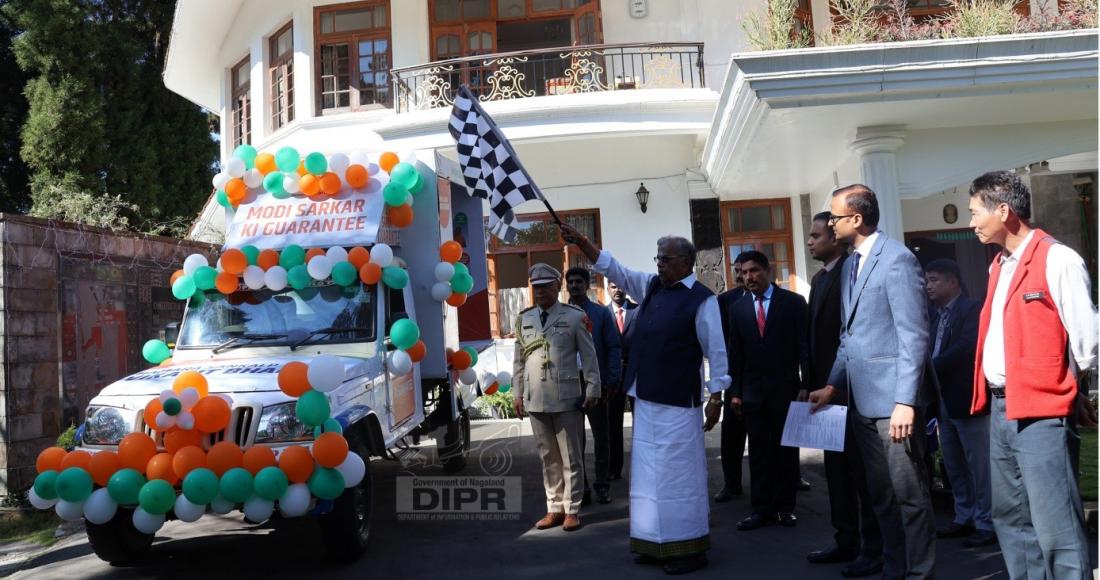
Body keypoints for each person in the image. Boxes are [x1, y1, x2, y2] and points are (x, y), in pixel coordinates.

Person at [560, 223, 729, 575]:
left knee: (678, 477)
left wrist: (717, 396)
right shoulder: (652, 287)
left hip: (679, 404)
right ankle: (654, 542)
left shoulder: (703, 300)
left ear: (685, 261)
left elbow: (716, 349)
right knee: (649, 477)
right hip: (646, 398)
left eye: (665, 259)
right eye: (657, 258)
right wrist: (583, 243)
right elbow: (615, 269)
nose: (659, 265)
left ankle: (689, 547)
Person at [967, 171, 1096, 579]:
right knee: (1012, 520)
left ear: (1003, 211)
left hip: (1042, 410)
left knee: (1056, 525)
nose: (971, 223)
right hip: (1002, 407)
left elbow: (1087, 339)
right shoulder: (998, 266)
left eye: (975, 212)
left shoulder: (1058, 258)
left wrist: (1075, 390)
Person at [809, 184, 936, 579]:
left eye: (834, 216)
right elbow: (851, 336)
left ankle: (920, 573)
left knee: (910, 497)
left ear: (857, 219)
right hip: (861, 404)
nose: (829, 223)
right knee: (881, 496)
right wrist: (832, 385)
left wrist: (906, 401)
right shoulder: (850, 265)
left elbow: (914, 335)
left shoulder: (896, 260)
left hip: (894, 407)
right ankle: (894, 569)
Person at [803, 212, 883, 577]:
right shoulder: (820, 279)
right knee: (836, 471)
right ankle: (845, 539)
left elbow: (851, 336)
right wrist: (809, 380)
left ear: (835, 237)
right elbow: (813, 337)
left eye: (816, 235)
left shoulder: (854, 272)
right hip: (826, 392)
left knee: (863, 476)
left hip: (854, 391)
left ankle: (873, 547)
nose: (810, 241)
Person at [512, 263, 601, 532]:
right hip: (536, 397)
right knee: (548, 456)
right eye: (535, 287)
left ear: (557, 286)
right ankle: (554, 507)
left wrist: (593, 387)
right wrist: (517, 393)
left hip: (566, 396)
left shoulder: (575, 316)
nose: (540, 292)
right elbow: (519, 361)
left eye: (545, 287)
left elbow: (589, 356)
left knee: (571, 455)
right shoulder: (524, 319)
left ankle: (572, 509)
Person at [724, 251, 808, 531]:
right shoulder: (737, 309)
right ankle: (761, 510)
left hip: (786, 391)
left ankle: (786, 508)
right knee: (759, 454)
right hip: (752, 394)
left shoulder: (793, 303)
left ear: (767, 270)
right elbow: (736, 354)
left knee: (786, 452)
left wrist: (807, 384)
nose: (748, 277)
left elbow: (804, 348)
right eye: (743, 272)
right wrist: (735, 391)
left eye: (753, 271)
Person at [924, 258, 995, 548]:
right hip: (941, 400)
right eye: (927, 280)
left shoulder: (972, 310)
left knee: (979, 465)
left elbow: (967, 348)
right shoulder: (934, 315)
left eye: (934, 280)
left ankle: (986, 522)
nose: (928, 286)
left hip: (968, 399)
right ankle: (963, 516)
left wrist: (928, 366)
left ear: (953, 282)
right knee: (953, 464)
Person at [565, 266, 622, 505]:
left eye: (579, 281)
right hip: (568, 384)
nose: (575, 286)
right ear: (565, 286)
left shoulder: (600, 314)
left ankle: (602, 486)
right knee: (573, 441)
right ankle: (583, 487)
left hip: (594, 382)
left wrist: (611, 380)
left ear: (587, 285)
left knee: (602, 436)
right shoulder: (560, 314)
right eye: (571, 282)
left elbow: (613, 347)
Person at [714, 254, 749, 502]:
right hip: (734, 377)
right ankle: (731, 483)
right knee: (732, 436)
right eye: (737, 271)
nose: (741, 277)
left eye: (745, 270)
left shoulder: (778, 297)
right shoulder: (725, 301)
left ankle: (790, 477)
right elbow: (721, 342)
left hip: (768, 379)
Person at [606, 280, 637, 481]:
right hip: (612, 377)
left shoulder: (639, 311)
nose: (618, 290)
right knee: (612, 424)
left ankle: (641, 467)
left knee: (641, 424)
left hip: (637, 375)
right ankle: (614, 468)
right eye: (613, 286)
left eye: (621, 286)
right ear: (607, 288)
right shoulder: (601, 313)